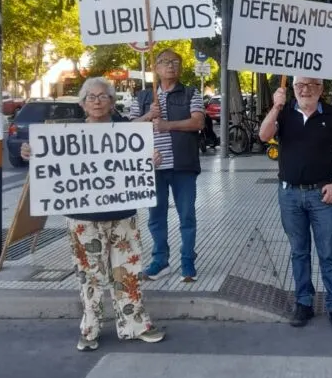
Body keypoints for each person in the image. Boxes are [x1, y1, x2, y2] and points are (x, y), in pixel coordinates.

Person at [20, 78, 164, 351]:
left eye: (103, 96)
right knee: (89, 276)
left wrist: (152, 161)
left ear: (112, 102)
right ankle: (90, 329)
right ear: (83, 103)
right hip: (83, 219)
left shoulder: (129, 132)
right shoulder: (66, 135)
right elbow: (48, 162)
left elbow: (142, 164)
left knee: (127, 272)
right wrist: (30, 153)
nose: (97, 102)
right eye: (91, 97)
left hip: (122, 215)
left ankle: (135, 325)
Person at [259, 76, 332, 334]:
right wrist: (276, 107)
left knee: (328, 253)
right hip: (289, 195)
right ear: (293, 87)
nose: (305, 89)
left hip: (322, 195)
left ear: (321, 89)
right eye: (300, 85)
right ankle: (304, 303)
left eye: (312, 85)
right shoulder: (284, 112)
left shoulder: (331, 115)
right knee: (298, 252)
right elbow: (264, 135)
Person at [130, 50, 204, 282]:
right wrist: (147, 116)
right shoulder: (142, 97)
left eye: (175, 62)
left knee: (187, 216)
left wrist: (167, 125)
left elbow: (198, 122)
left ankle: (187, 262)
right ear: (156, 67)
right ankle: (160, 261)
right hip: (152, 168)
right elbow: (129, 128)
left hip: (183, 166)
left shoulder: (191, 92)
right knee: (156, 217)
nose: (170, 66)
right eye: (164, 62)